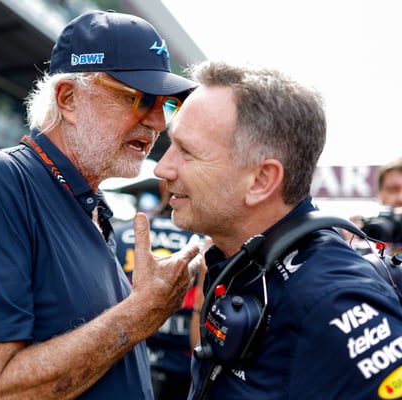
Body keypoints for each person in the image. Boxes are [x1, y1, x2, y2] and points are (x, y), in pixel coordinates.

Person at [0, 10, 200, 400]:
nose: (158, 123)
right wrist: (141, 313)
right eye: (140, 99)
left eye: (166, 104)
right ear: (68, 98)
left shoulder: (87, 204)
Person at [153, 60, 402, 399]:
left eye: (187, 151)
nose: (163, 168)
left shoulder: (331, 301)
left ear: (261, 180)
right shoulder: (242, 261)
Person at [115, 182, 202, 400]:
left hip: (125, 364)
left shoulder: (118, 234)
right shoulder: (205, 245)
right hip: (185, 374)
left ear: (163, 188)